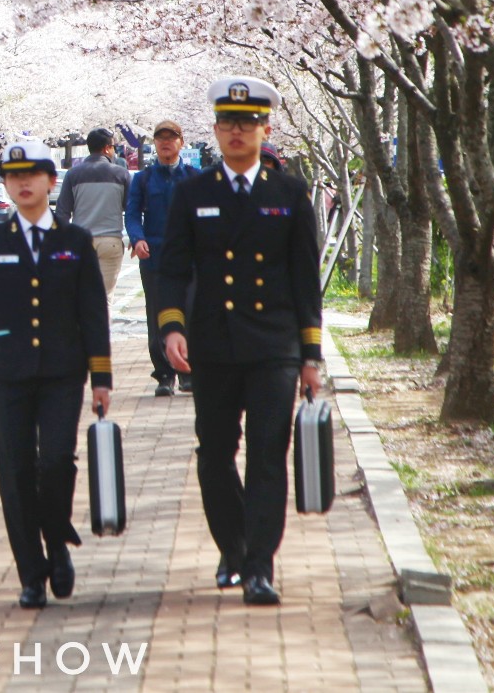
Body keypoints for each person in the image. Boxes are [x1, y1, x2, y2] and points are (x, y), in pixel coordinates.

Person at [155, 77, 324, 608]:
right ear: (215, 129)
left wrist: (311, 354)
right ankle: (233, 544)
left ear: (264, 129)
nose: (236, 131)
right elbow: (173, 267)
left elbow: (304, 280)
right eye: (227, 122)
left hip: (275, 344)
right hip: (215, 343)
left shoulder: (289, 194)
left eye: (247, 123)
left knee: (269, 453)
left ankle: (259, 567)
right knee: (216, 452)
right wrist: (172, 326)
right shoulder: (193, 193)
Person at [0, 138, 113, 610]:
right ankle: (32, 573)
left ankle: (56, 542)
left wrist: (102, 377)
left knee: (55, 461)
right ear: (6, 184)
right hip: (8, 372)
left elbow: (93, 311)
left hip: (61, 371)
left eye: (32, 175)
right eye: (13, 176)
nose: (23, 183)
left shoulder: (75, 241)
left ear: (53, 182)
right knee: (14, 471)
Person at [125, 120, 197, 396]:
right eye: (161, 138)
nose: (166, 142)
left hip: (188, 260)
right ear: (155, 143)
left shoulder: (193, 176)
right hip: (154, 258)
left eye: (172, 137)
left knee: (189, 313)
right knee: (157, 316)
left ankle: (187, 371)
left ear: (181, 142)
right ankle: (164, 374)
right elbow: (132, 213)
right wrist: (137, 238)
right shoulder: (143, 179)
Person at [53, 127, 132, 297]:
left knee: (82, 297)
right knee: (104, 299)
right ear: (106, 148)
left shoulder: (73, 174)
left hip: (80, 243)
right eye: (113, 147)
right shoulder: (121, 174)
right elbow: (131, 209)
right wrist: (135, 236)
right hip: (110, 241)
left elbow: (62, 212)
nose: (114, 151)